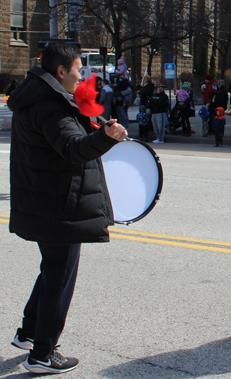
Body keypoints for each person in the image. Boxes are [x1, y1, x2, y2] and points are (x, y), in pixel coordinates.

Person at [8, 42, 127, 374]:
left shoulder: (38, 95)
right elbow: (72, 148)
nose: (81, 75)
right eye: (78, 69)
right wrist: (106, 136)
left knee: (52, 270)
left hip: (46, 199)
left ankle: (29, 334)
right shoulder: (50, 106)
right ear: (60, 72)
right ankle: (43, 354)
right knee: (60, 277)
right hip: (58, 204)